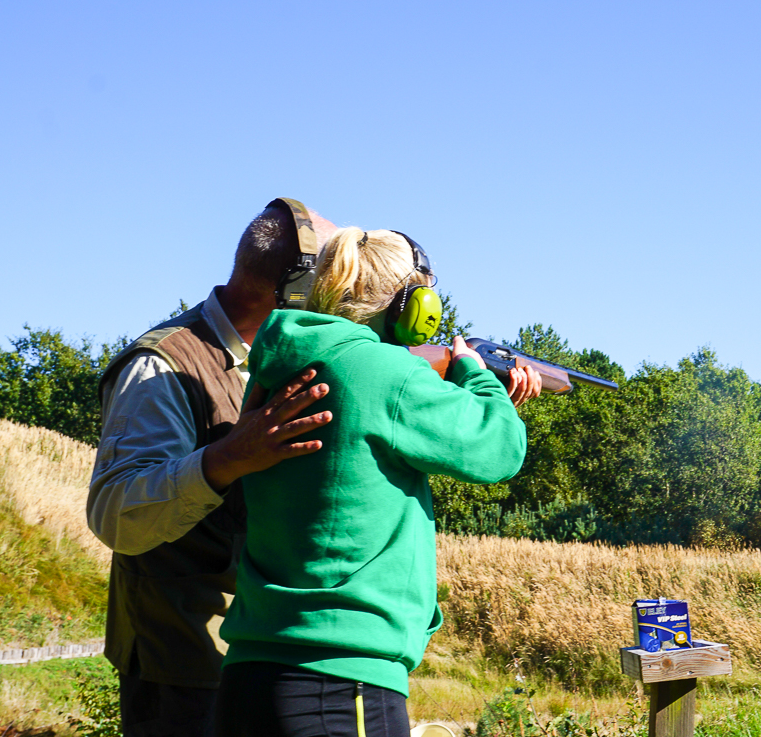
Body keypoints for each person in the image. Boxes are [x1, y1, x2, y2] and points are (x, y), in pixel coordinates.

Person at [212, 227, 534, 737]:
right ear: (412, 305)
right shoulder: (386, 373)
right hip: (340, 682)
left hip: (248, 674)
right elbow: (499, 449)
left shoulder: (281, 361)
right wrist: (478, 375)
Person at [87, 199, 342, 737]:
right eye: (337, 273)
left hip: (262, 655)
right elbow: (115, 514)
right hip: (183, 667)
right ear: (298, 288)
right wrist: (228, 458)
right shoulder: (161, 365)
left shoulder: (288, 359)